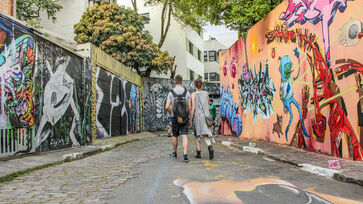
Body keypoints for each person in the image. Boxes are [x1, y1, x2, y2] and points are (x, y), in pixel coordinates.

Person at [165, 75, 191, 163]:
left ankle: (175, 152)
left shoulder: (171, 93)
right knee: (184, 135)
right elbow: (190, 107)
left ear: (174, 82)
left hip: (175, 117)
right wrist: (190, 118)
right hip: (184, 117)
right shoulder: (187, 92)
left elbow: (167, 106)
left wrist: (170, 112)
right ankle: (185, 155)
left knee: (175, 135)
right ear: (182, 81)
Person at [190, 78, 214, 160]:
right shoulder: (206, 93)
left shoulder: (193, 94)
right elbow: (207, 104)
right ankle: (210, 147)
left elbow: (193, 108)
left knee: (197, 135)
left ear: (195, 85)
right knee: (205, 134)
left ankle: (198, 153)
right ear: (202, 85)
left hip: (198, 116)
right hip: (206, 116)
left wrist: (190, 119)